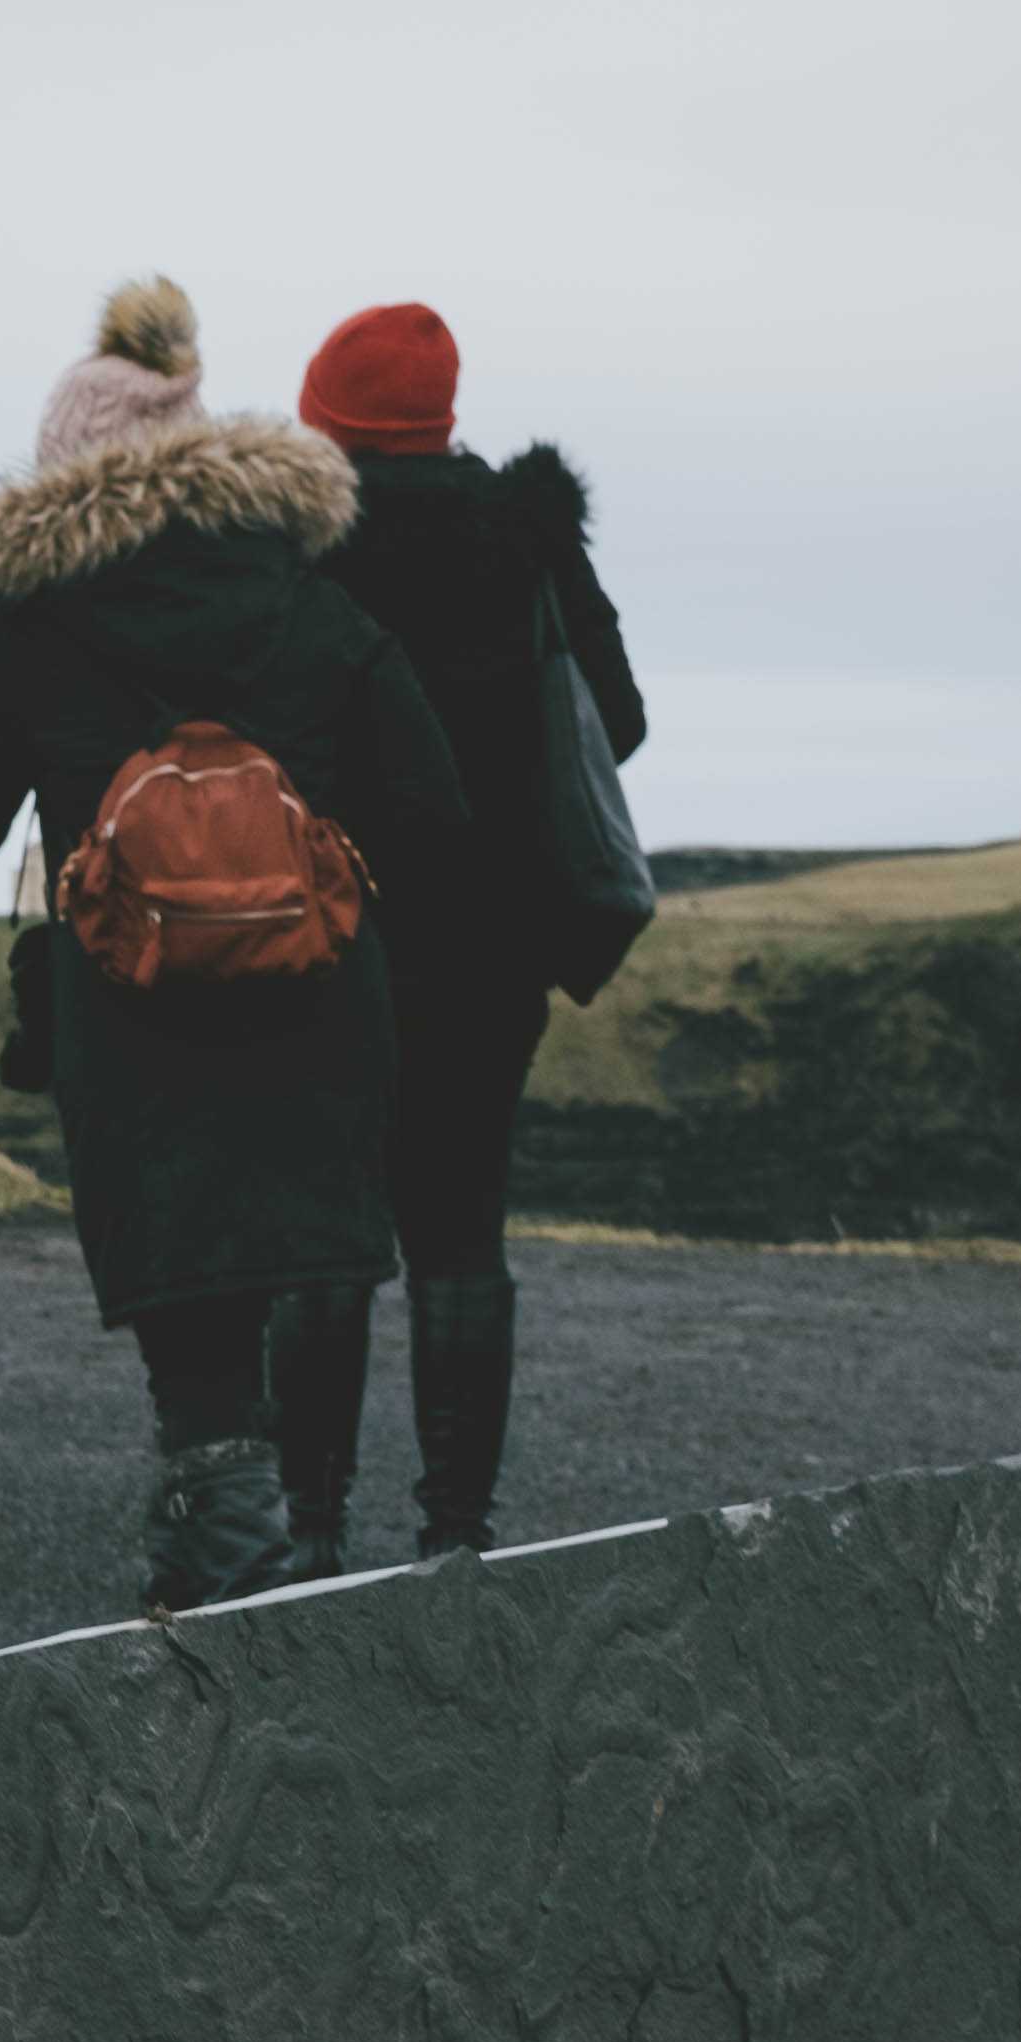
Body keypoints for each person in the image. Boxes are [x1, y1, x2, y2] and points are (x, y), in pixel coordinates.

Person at [0, 276, 470, 1612]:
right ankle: (248, 1549)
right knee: (288, 1267)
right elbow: (430, 811)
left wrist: (16, 696)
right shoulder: (313, 604)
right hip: (316, 1001)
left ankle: (224, 1561)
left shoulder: (37, 630)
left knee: (189, 1312)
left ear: (64, 476)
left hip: (130, 1013)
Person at [267, 303, 649, 1565]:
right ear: (439, 415)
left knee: (325, 1225)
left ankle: (312, 1530)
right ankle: (453, 1539)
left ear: (328, 418)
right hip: (489, 946)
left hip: (321, 935)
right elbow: (620, 720)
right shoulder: (524, 540)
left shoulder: (297, 545)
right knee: (459, 1226)